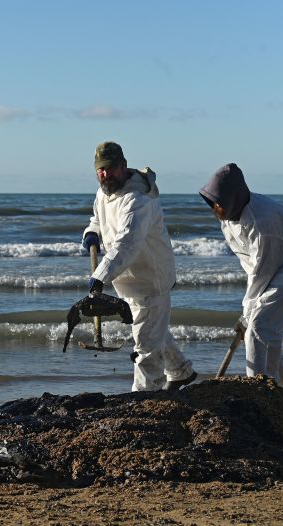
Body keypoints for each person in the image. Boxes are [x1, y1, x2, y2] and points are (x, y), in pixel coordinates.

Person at [82, 141, 197, 391]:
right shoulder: (104, 193)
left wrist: (100, 275)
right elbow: (97, 219)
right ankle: (180, 371)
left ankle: (145, 396)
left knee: (145, 342)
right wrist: (92, 232)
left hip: (151, 278)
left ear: (123, 166)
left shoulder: (138, 199)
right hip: (128, 279)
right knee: (152, 327)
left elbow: (127, 243)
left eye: (110, 168)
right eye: (100, 170)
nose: (105, 174)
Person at [200, 163, 283, 402]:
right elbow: (252, 264)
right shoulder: (229, 213)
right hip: (268, 264)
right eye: (212, 201)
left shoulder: (263, 224)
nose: (214, 207)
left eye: (218, 201)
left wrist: (247, 310)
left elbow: (263, 270)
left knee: (259, 327)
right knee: (265, 328)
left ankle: (260, 396)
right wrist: (249, 308)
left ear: (233, 197)